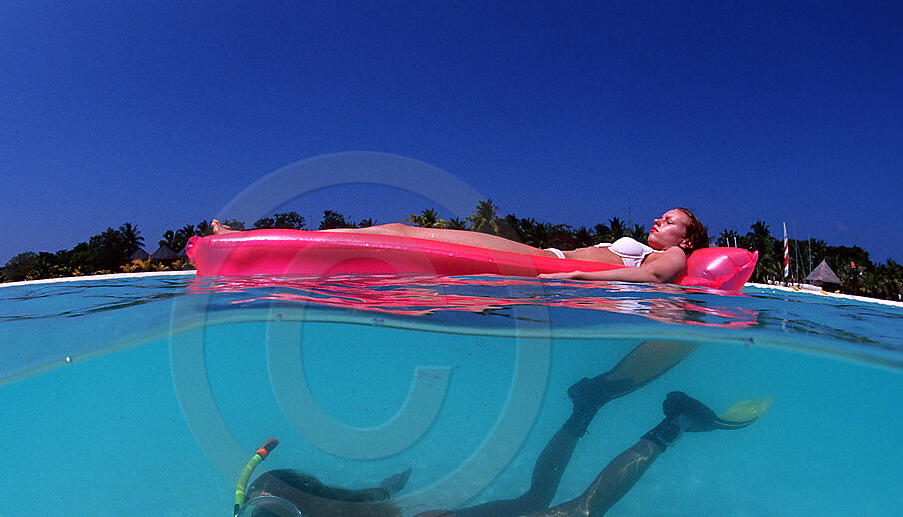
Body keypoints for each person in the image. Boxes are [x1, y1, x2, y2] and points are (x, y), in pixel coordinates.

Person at [232, 341, 768, 517]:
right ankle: (586, 406)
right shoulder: (265, 513)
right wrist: (383, 494)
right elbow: (338, 506)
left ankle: (675, 424)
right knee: (536, 497)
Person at [211, 208, 710, 284]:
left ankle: (247, 245)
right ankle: (254, 245)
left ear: (686, 238)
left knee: (401, 236)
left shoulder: (675, 255)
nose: (658, 221)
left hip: (542, 268)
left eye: (670, 221)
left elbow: (652, 277)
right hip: (540, 260)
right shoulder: (652, 245)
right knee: (398, 229)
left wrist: (580, 277)